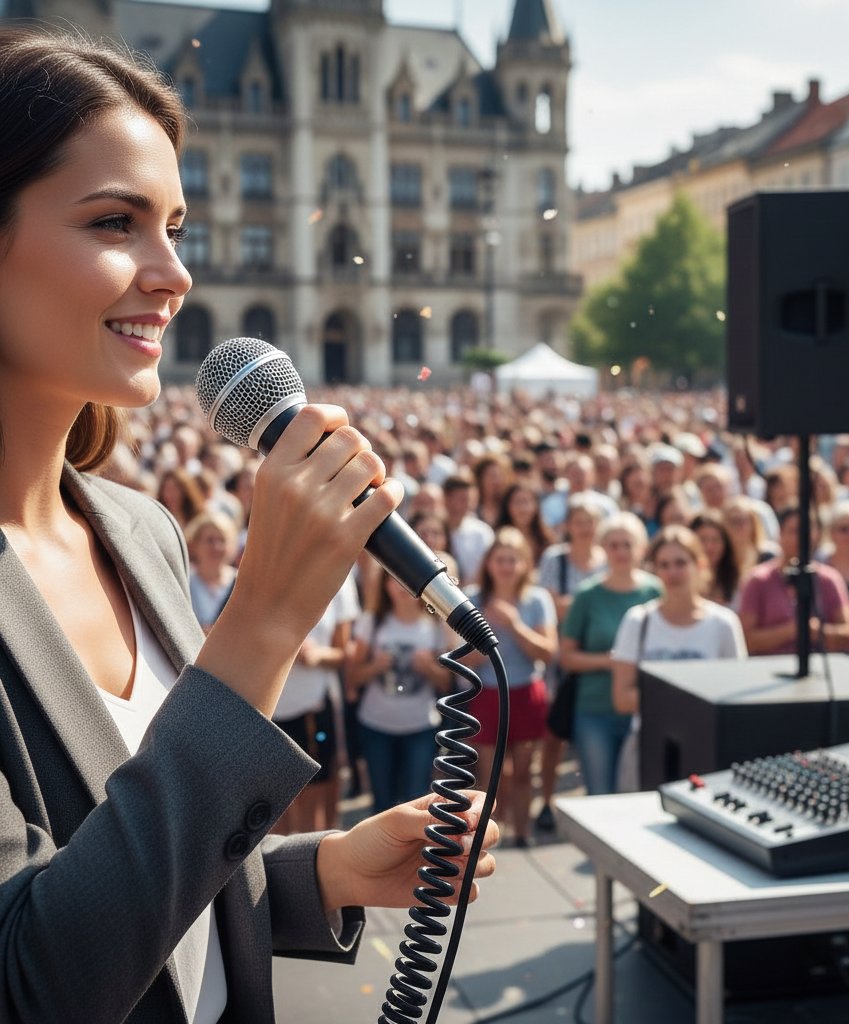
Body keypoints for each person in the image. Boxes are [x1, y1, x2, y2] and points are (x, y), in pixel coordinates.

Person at [0, 30, 496, 1022]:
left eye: (175, 226)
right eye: (115, 222)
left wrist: (323, 871)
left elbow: (139, 861)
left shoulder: (143, 532)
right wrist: (261, 624)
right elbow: (34, 977)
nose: (174, 272)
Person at [611, 526, 747, 790]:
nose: (672, 573)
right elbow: (621, 698)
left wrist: (666, 699)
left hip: (706, 745)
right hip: (648, 744)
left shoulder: (723, 623)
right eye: (664, 564)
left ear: (700, 565)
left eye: (680, 563)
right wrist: (692, 700)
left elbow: (735, 693)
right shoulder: (638, 621)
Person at [464, 528, 558, 846]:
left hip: (526, 691)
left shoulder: (537, 600)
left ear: (524, 564)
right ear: (489, 563)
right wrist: (487, 627)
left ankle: (522, 830)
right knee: (491, 772)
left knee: (522, 769)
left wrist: (516, 625)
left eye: (512, 560)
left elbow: (547, 651)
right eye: (500, 560)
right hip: (488, 692)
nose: (506, 567)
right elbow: (467, 660)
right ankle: (490, 832)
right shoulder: (475, 599)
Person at [560, 512, 662, 795]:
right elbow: (567, 656)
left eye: (628, 544)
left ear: (641, 548)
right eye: (614, 545)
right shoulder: (587, 595)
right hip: (595, 710)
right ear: (603, 549)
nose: (621, 552)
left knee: (640, 793)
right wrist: (612, 660)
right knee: (601, 794)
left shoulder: (656, 591)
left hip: (643, 707)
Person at [346, 572, 452, 815]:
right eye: (395, 579)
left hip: (421, 727)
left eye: (407, 579)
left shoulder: (435, 625)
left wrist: (429, 669)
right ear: (385, 585)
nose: (402, 586)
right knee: (382, 805)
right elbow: (352, 678)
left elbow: (447, 685)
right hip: (376, 727)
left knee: (416, 803)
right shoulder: (371, 622)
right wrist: (375, 667)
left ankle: (413, 854)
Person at [534, 495, 607, 831]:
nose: (585, 528)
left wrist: (572, 607)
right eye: (579, 521)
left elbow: (571, 607)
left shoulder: (606, 561)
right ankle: (546, 799)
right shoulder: (555, 559)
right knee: (554, 734)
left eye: (590, 521)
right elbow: (549, 606)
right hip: (560, 660)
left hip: (595, 657)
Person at [271, 574, 360, 834]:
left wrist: (315, 656)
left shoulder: (341, 580)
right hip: (269, 711)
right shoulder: (271, 567)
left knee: (315, 805)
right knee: (276, 807)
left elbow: (342, 653)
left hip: (314, 707)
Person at [738, 505, 849, 656]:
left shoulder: (829, 579)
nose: (802, 538)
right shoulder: (758, 580)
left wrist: (814, 631)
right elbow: (745, 639)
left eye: (807, 531)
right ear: (780, 534)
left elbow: (848, 634)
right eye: (794, 531)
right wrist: (793, 630)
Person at [184, 508, 239, 633]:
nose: (216, 547)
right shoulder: (184, 580)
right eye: (210, 540)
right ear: (194, 544)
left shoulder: (241, 583)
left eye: (222, 540)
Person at [689, 509, 742, 608]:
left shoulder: (738, 582)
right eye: (702, 540)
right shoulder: (682, 579)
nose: (709, 547)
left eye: (715, 540)